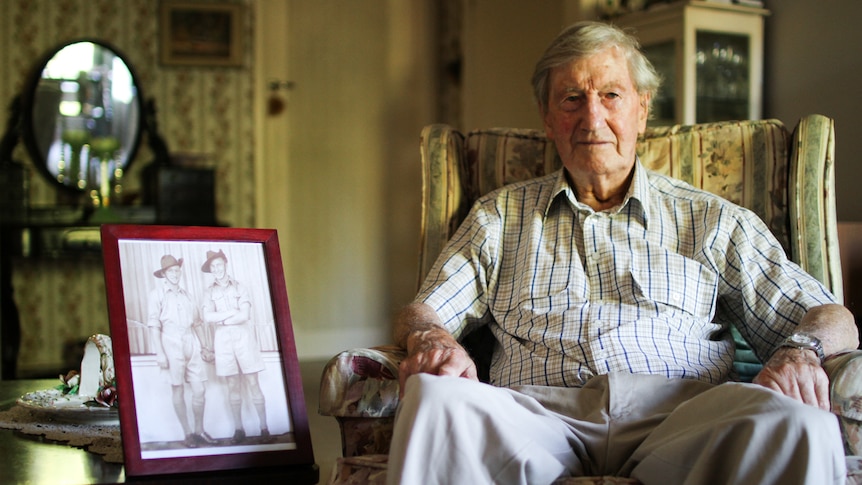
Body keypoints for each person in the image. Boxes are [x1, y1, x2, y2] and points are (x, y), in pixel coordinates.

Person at [387, 21, 860, 485]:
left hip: (683, 418)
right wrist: (431, 336)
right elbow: (423, 310)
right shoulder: (498, 216)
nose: (592, 118)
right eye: (572, 99)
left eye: (611, 95)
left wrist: (801, 352)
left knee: (802, 424)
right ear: (548, 118)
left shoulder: (713, 220)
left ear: (642, 108)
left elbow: (831, 316)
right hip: (534, 415)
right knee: (433, 400)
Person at [200, 249, 270, 444]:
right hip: (222, 342)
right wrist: (231, 313)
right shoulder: (208, 292)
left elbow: (245, 315)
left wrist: (221, 319)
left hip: (243, 338)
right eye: (213, 267)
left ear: (225, 264)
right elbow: (207, 317)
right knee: (232, 385)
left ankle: (264, 428)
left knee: (253, 383)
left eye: (219, 265)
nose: (217, 269)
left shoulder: (240, 287)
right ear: (210, 270)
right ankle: (239, 429)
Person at [147, 254, 214, 449]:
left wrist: (204, 347)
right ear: (164, 274)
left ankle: (199, 430)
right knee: (177, 388)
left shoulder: (188, 295)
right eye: (170, 271)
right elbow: (153, 325)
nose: (175, 274)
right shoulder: (157, 294)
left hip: (189, 341)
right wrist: (160, 353)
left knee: (199, 389)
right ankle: (188, 434)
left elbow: (197, 323)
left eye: (177, 270)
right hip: (170, 342)